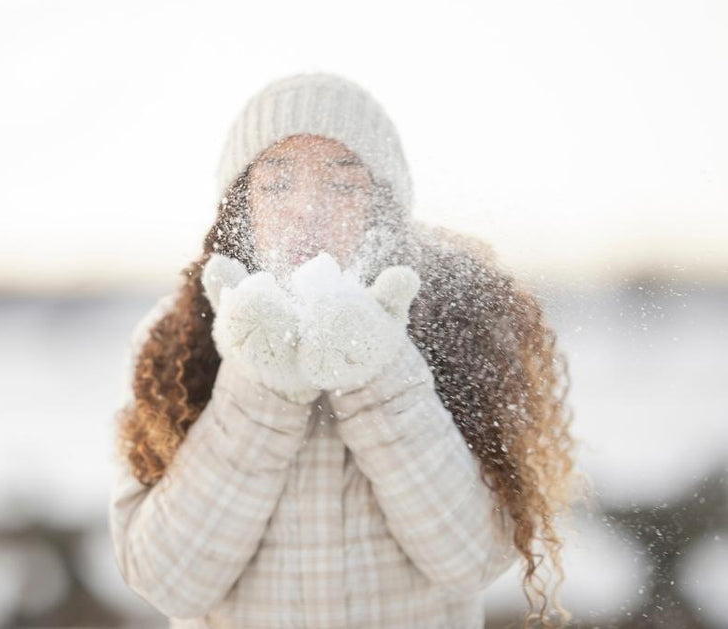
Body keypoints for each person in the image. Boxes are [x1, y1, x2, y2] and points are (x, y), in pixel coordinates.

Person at [108, 72, 583, 628]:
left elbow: (472, 562)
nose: (308, 210)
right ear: (239, 205)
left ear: (382, 205)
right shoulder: (172, 343)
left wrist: (377, 372)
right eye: (277, 185)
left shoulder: (459, 324)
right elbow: (167, 583)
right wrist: (258, 385)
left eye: (342, 185)